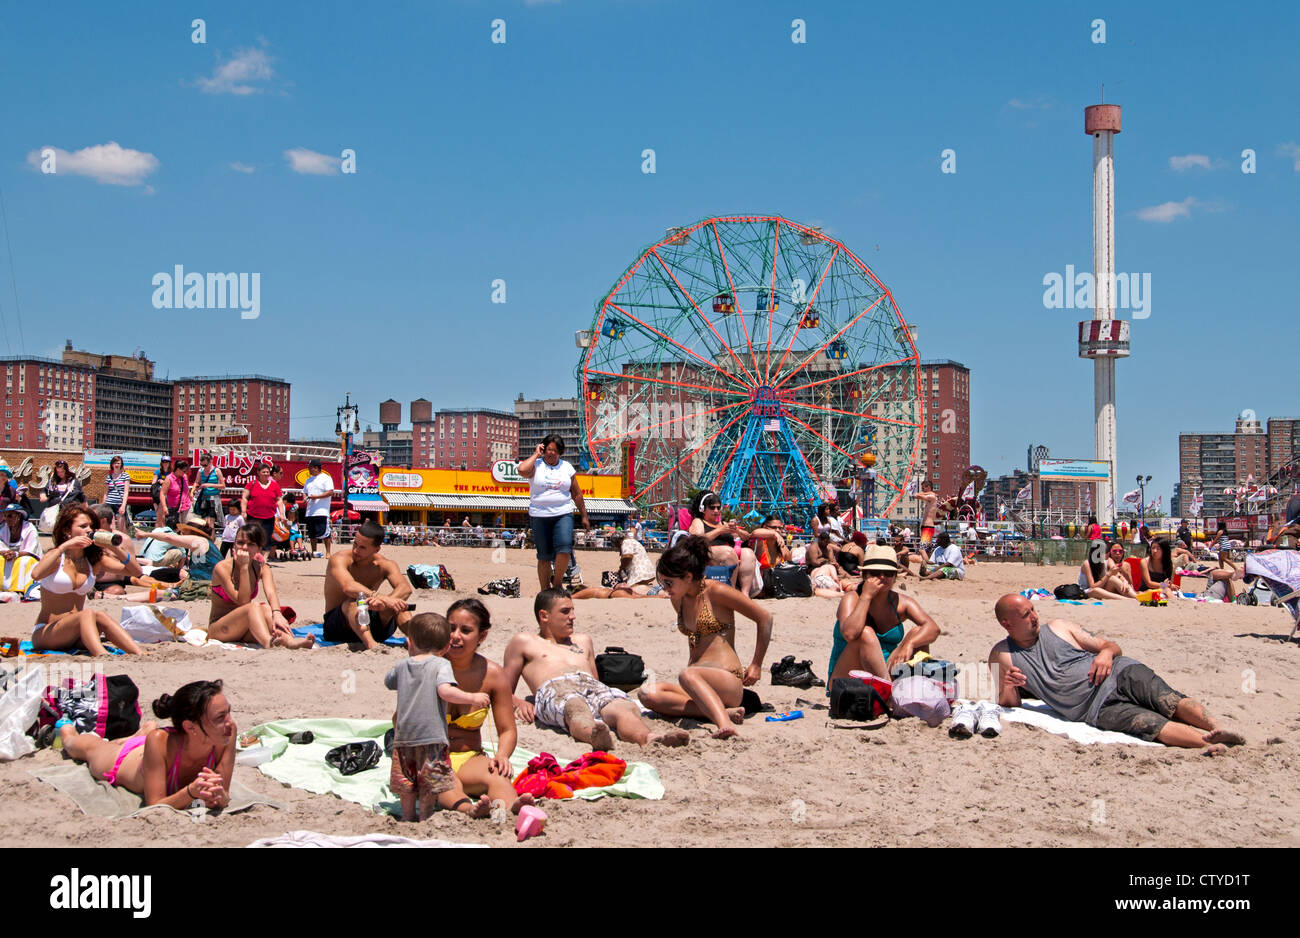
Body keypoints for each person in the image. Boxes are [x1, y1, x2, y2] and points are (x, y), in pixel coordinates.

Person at [990, 594, 1246, 751]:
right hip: (1095, 709)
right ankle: (1209, 742)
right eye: (1026, 615)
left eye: (1033, 610)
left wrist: (1106, 653)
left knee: (1166, 699)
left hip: (1119, 672)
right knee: (1151, 725)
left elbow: (1112, 646)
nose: (1035, 616)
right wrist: (1010, 686)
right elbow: (1008, 704)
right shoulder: (1001, 655)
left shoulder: (1058, 626)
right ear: (1007, 624)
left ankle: (1216, 727)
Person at [505, 589, 689, 749]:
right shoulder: (525, 642)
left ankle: (648, 738)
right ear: (544, 616)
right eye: (565, 612)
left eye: (573, 610)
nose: (572, 617)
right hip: (556, 688)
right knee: (574, 707)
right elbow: (502, 689)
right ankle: (593, 735)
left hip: (590, 685)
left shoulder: (583, 640)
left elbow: (596, 682)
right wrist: (520, 702)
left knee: (621, 707)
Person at [638, 536, 772, 739]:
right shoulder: (679, 600)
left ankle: (723, 724)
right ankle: (719, 711)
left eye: (669, 582)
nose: (665, 588)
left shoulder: (716, 591)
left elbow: (764, 618)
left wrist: (756, 664)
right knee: (647, 694)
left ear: (688, 577)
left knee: (687, 675)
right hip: (698, 683)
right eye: (662, 582)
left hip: (726, 678)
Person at [58, 680, 236, 808]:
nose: (229, 722)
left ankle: (141, 733)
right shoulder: (159, 741)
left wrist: (220, 798)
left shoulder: (227, 734)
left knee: (149, 736)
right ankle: (64, 726)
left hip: (151, 752)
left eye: (228, 713)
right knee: (80, 746)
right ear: (190, 726)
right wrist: (190, 792)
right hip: (123, 759)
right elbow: (155, 804)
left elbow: (223, 795)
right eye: (220, 717)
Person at [386, 612, 495, 820]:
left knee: (407, 783)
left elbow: (389, 681)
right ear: (445, 648)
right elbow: (445, 691)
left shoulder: (402, 665)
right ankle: (425, 817)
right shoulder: (441, 665)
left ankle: (408, 817)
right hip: (432, 738)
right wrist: (471, 697)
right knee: (429, 783)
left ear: (409, 642)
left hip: (404, 738)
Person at [441, 599, 535, 815]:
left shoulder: (492, 675)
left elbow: (507, 729)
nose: (455, 636)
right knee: (443, 779)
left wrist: (502, 756)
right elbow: (400, 719)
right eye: (451, 628)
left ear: (481, 636)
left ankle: (515, 811)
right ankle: (469, 809)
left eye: (465, 630)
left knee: (497, 776)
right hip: (432, 756)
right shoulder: (429, 666)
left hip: (468, 758)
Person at [28, 505, 143, 655]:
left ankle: (139, 653)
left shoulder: (93, 560)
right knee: (87, 613)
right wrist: (65, 546)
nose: (89, 530)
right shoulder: (57, 556)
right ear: (67, 531)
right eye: (83, 526)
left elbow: (136, 571)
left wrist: (114, 548)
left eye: (91, 526)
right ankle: (102, 655)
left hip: (76, 633)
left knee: (100, 616)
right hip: (47, 632)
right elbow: (36, 574)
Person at [828, 545, 941, 683]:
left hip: (886, 670)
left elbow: (933, 628)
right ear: (865, 575)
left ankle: (897, 689)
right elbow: (850, 634)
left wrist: (910, 643)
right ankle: (888, 693)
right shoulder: (852, 598)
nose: (882, 577)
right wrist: (866, 597)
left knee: (918, 632)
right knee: (866, 633)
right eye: (875, 573)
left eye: (888, 574)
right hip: (848, 677)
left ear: (894, 577)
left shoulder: (900, 602)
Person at [207, 524, 313, 648]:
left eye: (251, 544)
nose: (245, 548)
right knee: (254, 606)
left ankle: (289, 641)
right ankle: (268, 642)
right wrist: (244, 568)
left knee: (267, 609)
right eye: (240, 543)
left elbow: (271, 593)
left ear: (258, 549)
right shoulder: (222, 568)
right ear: (234, 545)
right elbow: (243, 602)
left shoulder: (261, 568)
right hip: (220, 628)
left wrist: (277, 613)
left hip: (244, 628)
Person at [516, 434, 592, 591]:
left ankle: (557, 584)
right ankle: (545, 590)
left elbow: (576, 493)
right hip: (539, 515)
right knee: (544, 556)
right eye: (549, 449)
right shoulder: (535, 465)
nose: (552, 453)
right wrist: (536, 454)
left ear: (560, 453)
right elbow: (521, 470)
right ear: (544, 449)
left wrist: (584, 515)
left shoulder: (566, 467)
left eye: (556, 451)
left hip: (563, 513)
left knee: (564, 548)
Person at [322, 519, 412, 648]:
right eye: (355, 544)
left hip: (372, 623)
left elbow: (405, 588)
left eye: (362, 547)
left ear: (377, 549)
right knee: (354, 602)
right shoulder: (339, 559)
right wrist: (382, 598)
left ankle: (419, 641)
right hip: (339, 627)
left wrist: (390, 602)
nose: (356, 550)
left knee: (399, 606)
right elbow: (349, 587)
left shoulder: (385, 564)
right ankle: (372, 646)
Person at [686, 490, 758, 595]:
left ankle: (745, 594)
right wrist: (720, 530)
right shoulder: (698, 521)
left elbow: (747, 537)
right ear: (702, 509)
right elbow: (697, 541)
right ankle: (731, 592)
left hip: (729, 553)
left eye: (718, 507)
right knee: (728, 552)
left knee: (748, 553)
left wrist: (736, 530)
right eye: (712, 507)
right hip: (707, 554)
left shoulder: (723, 523)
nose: (716, 511)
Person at [570, 535, 663, 599]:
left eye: (616, 545)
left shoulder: (626, 542)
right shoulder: (632, 541)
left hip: (640, 573)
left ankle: (579, 589)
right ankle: (579, 589)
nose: (617, 548)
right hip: (648, 577)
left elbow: (627, 557)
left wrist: (621, 568)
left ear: (618, 541)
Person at [241, 461, 283, 549]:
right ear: (258, 473)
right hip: (253, 516)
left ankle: (263, 561)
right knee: (252, 538)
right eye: (263, 472)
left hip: (269, 517)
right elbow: (244, 498)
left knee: (266, 541)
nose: (266, 474)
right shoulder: (251, 484)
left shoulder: (275, 485)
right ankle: (252, 559)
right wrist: (243, 511)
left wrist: (282, 514)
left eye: (267, 472)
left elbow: (279, 500)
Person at [301, 457, 334, 557]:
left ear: (316, 468)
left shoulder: (326, 478)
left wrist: (316, 497)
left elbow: (330, 492)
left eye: (310, 468)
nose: (309, 470)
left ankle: (328, 552)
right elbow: (304, 492)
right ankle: (314, 551)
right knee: (312, 533)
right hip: (310, 511)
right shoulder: (308, 480)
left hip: (321, 510)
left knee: (325, 532)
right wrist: (305, 498)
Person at [190, 452, 224, 526]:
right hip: (204, 498)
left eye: (205, 465)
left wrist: (210, 485)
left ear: (210, 462)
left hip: (214, 498)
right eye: (202, 465)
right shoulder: (200, 471)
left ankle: (211, 535)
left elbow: (223, 486)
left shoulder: (217, 471)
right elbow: (196, 482)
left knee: (211, 520)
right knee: (204, 521)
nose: (204, 467)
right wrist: (192, 492)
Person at [103, 455, 131, 533]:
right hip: (109, 503)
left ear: (121, 464)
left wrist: (123, 505)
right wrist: (103, 505)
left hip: (119, 503)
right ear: (112, 464)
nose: (116, 465)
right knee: (111, 526)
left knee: (121, 526)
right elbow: (106, 493)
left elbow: (126, 492)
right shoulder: (109, 477)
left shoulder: (125, 476)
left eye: (118, 463)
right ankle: (113, 543)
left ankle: (124, 543)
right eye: (115, 463)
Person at [916, 480, 939, 547]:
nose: (922, 490)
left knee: (922, 549)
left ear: (928, 487)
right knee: (927, 550)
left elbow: (916, 495)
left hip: (928, 526)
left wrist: (929, 493)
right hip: (925, 526)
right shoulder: (932, 497)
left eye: (923, 488)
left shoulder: (931, 497)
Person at [150, 456, 172, 522]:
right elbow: (153, 484)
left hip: (169, 496)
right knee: (159, 516)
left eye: (167, 462)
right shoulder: (157, 472)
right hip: (159, 496)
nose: (165, 463)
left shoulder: (172, 473)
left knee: (167, 516)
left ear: (170, 463)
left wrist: (164, 482)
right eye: (163, 462)